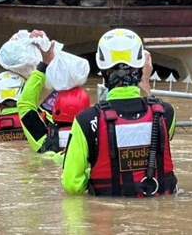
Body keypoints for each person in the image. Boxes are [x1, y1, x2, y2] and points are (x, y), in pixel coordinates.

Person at [61, 28, 177, 197]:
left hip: (109, 216)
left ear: (101, 68)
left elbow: (72, 184)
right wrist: (145, 82)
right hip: (160, 213)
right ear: (141, 66)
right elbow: (159, 137)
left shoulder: (86, 121)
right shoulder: (166, 113)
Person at [13, 30, 92, 155]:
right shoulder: (97, 135)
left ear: (56, 109)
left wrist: (44, 64)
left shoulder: (44, 140)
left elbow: (25, 104)